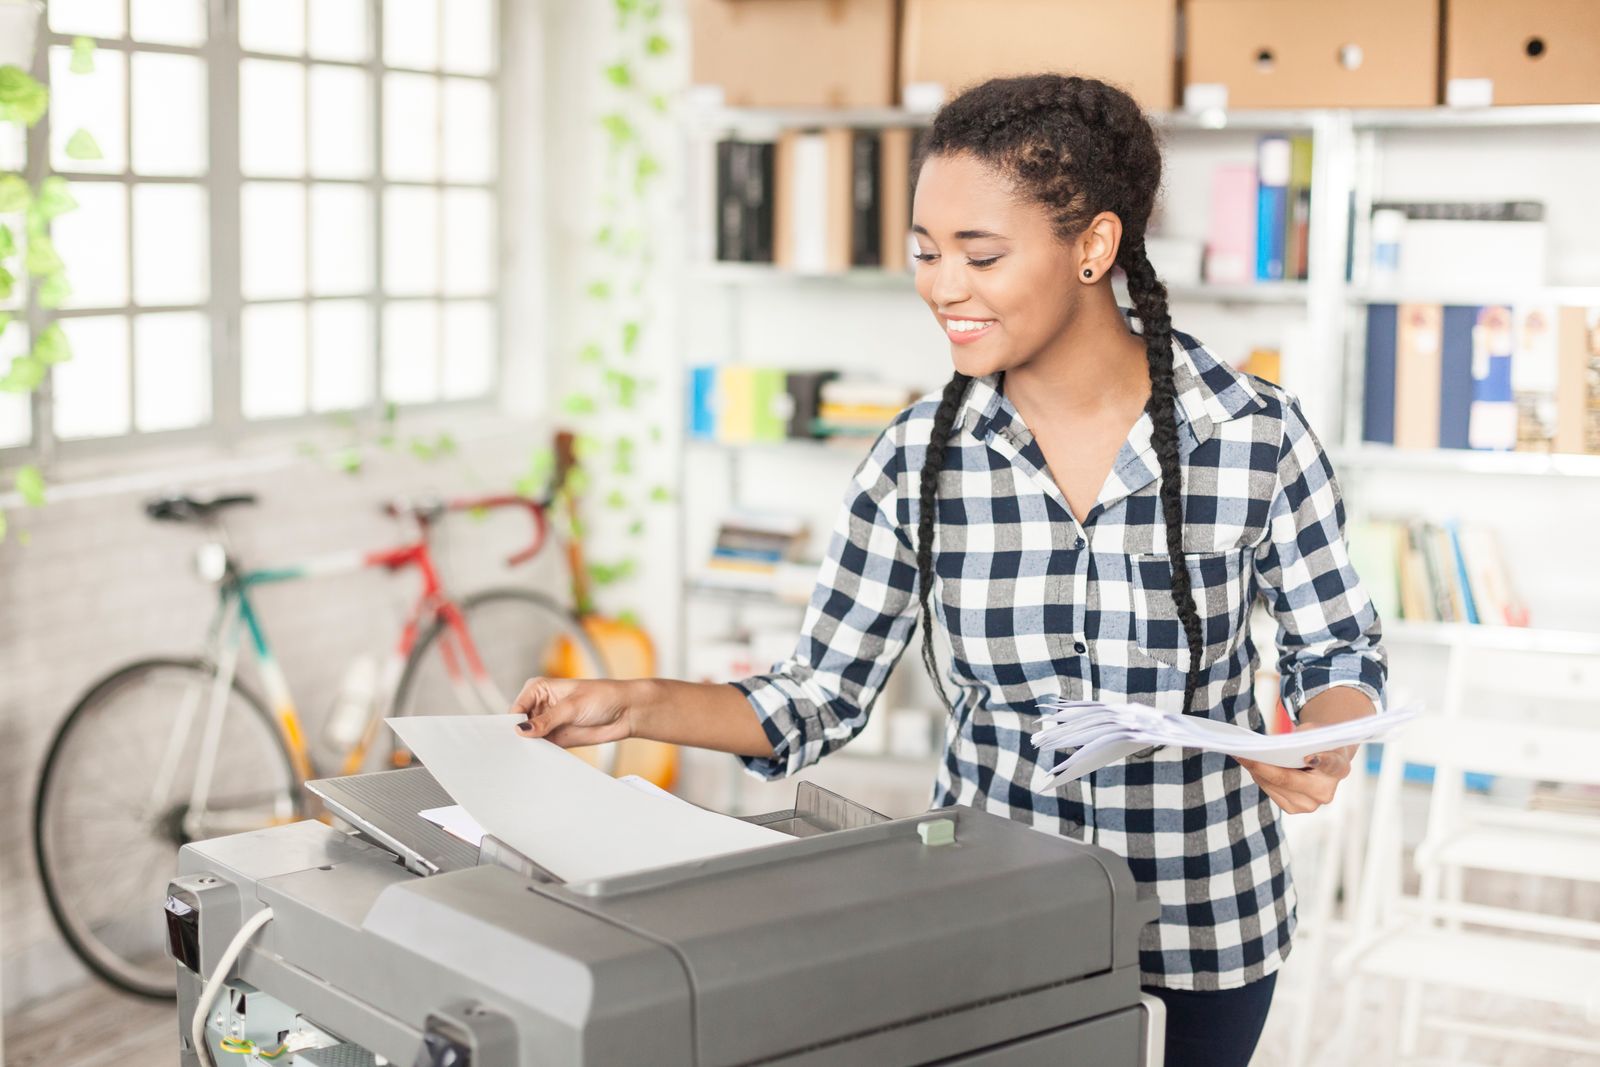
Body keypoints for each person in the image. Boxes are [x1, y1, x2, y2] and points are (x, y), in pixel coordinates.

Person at [512, 73, 1387, 1067]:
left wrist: (1320, 733)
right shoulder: (914, 457)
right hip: (989, 919)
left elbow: (1338, 644)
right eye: (925, 253)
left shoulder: (1254, 432)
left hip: (1200, 923)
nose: (941, 286)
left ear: (1094, 246)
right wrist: (631, 703)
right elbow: (816, 696)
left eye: (980, 254)